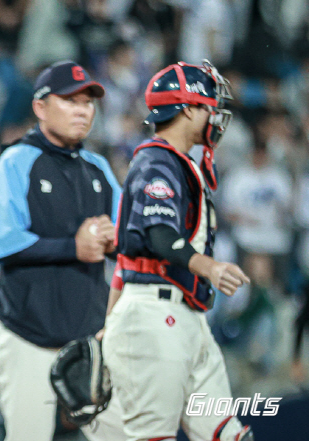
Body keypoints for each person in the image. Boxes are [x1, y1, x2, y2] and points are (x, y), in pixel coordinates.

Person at [101, 60, 254, 441]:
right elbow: (157, 235)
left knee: (228, 435)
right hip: (153, 319)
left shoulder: (179, 163)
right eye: (208, 106)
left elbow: (127, 257)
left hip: (184, 320)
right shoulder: (156, 160)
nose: (215, 116)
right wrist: (209, 267)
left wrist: (108, 321)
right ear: (188, 108)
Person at [0, 60, 125, 441]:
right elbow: (3, 242)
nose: (83, 110)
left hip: (88, 335)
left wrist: (115, 241)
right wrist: (73, 246)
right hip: (26, 333)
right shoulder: (17, 160)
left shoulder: (97, 168)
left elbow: (127, 236)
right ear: (41, 107)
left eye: (89, 102)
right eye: (71, 101)